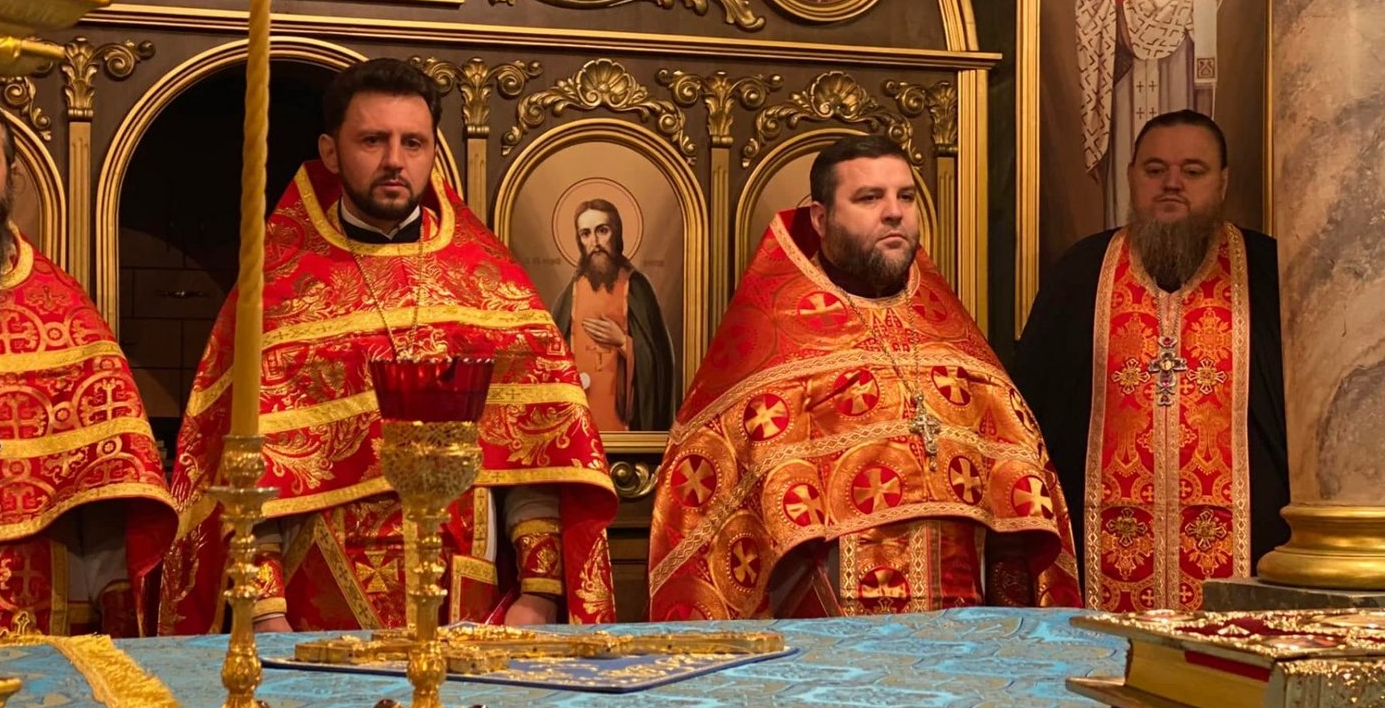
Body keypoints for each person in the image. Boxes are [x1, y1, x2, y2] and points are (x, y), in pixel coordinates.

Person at [159, 59, 617, 634]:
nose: (395, 160)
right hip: (317, 594)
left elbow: (534, 451)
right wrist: (266, 610)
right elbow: (247, 467)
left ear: (432, 153)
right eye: (373, 140)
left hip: (467, 594)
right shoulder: (276, 288)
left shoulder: (488, 280)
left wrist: (540, 594)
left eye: (413, 142)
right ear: (331, 152)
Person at [648, 134, 1081, 620]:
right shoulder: (773, 341)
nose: (894, 212)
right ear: (820, 218)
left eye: (905, 196)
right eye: (870, 198)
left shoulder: (956, 343)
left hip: (961, 636)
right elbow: (714, 504)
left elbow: (1022, 500)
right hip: (824, 639)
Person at [1015, 109, 1287, 612]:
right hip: (1100, 570)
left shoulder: (1268, 273)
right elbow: (1032, 421)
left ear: (1223, 182)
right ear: (1131, 176)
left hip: (1252, 562)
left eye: (1193, 170)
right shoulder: (1081, 273)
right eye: (1155, 169)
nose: (1172, 183)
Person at [0, 115, 177, 638]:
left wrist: (115, 608)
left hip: (43, 611)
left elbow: (110, 493)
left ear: (10, 177)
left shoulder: (61, 311)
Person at [1077, 0, 1222, 227]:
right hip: (1128, 64)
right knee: (1131, 146)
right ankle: (1122, 236)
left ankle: (1182, 235)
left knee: (1178, 148)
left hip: (1175, 59)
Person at [550, 199, 677, 432]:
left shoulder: (636, 287)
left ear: (616, 234)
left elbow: (660, 362)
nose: (595, 242)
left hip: (625, 424)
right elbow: (549, 360)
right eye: (586, 234)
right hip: (578, 422)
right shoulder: (571, 294)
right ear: (579, 241)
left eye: (602, 231)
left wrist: (622, 342)